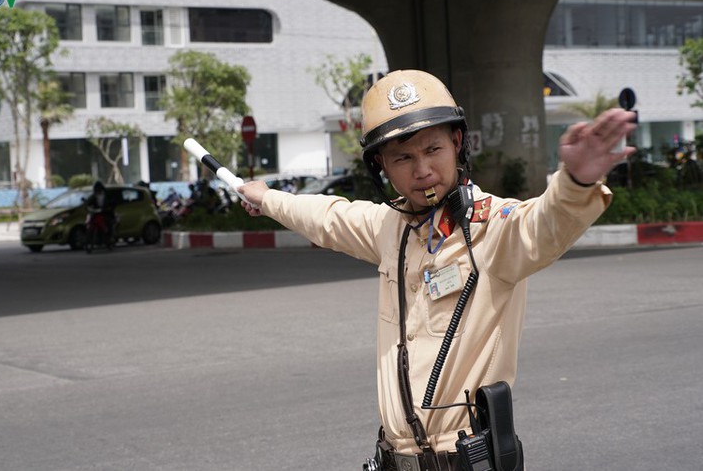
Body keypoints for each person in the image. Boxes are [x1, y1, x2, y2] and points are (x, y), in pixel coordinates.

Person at [238, 70, 636, 470]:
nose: (422, 169)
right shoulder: (389, 228)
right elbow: (327, 216)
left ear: (457, 143)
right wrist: (267, 197)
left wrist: (576, 182)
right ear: (382, 166)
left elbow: (545, 225)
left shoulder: (492, 227)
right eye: (403, 158)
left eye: (433, 150)